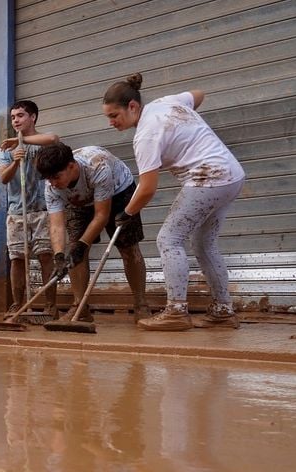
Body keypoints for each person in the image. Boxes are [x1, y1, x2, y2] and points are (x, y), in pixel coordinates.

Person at [103, 73, 245, 331]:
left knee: (168, 239)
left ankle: (176, 311)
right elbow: (198, 94)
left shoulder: (145, 135)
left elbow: (147, 189)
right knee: (203, 243)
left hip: (207, 178)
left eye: (114, 115)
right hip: (231, 175)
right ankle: (223, 310)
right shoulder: (166, 102)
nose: (111, 122)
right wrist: (185, 126)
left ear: (132, 107)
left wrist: (127, 212)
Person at [36, 142, 151, 323]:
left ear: (72, 166)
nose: (52, 183)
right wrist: (59, 256)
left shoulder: (97, 167)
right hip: (79, 200)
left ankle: (141, 304)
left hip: (118, 192)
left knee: (128, 248)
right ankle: (79, 307)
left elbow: (102, 215)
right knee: (73, 252)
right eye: (49, 179)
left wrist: (83, 245)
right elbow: (56, 225)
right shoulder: (52, 184)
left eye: (56, 177)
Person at [0, 100, 60, 316]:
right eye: (13, 116)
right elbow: (4, 179)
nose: (15, 120)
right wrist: (15, 161)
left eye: (21, 115)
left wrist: (20, 140)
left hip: (43, 209)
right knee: (17, 258)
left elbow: (54, 138)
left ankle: (50, 305)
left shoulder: (42, 142)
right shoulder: (7, 147)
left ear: (33, 117)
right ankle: (18, 304)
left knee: (45, 256)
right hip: (16, 212)